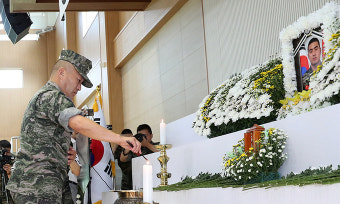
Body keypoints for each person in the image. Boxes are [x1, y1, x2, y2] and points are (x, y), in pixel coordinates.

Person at [6, 50, 141, 204]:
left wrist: (62, 152)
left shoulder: (49, 98)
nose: (79, 88)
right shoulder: (51, 96)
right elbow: (78, 123)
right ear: (61, 73)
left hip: (48, 182)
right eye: (78, 80)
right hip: (36, 185)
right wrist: (119, 138)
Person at [68, 132, 81, 204]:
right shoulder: (70, 142)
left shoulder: (76, 143)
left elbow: (77, 171)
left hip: (71, 185)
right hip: (67, 183)